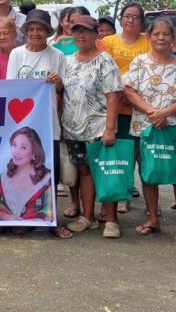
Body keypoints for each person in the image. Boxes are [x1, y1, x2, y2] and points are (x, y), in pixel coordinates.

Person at [123, 17, 176, 243]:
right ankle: (153, 218)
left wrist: (165, 113)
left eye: (166, 34)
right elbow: (129, 90)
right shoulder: (139, 62)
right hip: (145, 128)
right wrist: (153, 112)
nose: (161, 38)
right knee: (149, 174)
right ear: (149, 36)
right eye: (157, 34)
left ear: (173, 37)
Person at [5, 8, 67, 238]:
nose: (35, 33)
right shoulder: (16, 54)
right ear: (26, 31)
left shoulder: (57, 55)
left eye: (40, 29)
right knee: (22, 173)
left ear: (47, 32)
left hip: (48, 122)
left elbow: (62, 90)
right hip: (22, 125)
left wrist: (58, 81)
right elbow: (11, 87)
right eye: (31, 29)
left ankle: (50, 219)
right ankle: (22, 216)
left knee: (48, 172)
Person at [60, 16, 122, 239]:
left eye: (85, 31)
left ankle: (112, 220)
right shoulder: (67, 61)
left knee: (104, 172)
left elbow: (114, 95)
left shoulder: (105, 60)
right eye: (76, 31)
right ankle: (88, 217)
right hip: (73, 129)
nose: (81, 35)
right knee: (84, 172)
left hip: (97, 127)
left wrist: (110, 128)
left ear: (96, 34)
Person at [102, 2, 151, 213]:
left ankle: (135, 193)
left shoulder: (148, 41)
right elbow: (106, 69)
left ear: (141, 21)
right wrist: (121, 92)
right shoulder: (107, 41)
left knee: (140, 154)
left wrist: (134, 95)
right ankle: (120, 195)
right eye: (127, 16)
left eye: (135, 17)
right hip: (115, 106)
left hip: (141, 107)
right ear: (121, 19)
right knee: (120, 153)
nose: (131, 20)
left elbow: (151, 69)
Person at [0, 127, 54, 222]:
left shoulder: (47, 179)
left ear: (34, 153)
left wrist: (22, 223)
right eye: (14, 145)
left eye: (23, 147)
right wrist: (8, 218)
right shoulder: (4, 178)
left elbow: (48, 216)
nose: (16, 151)